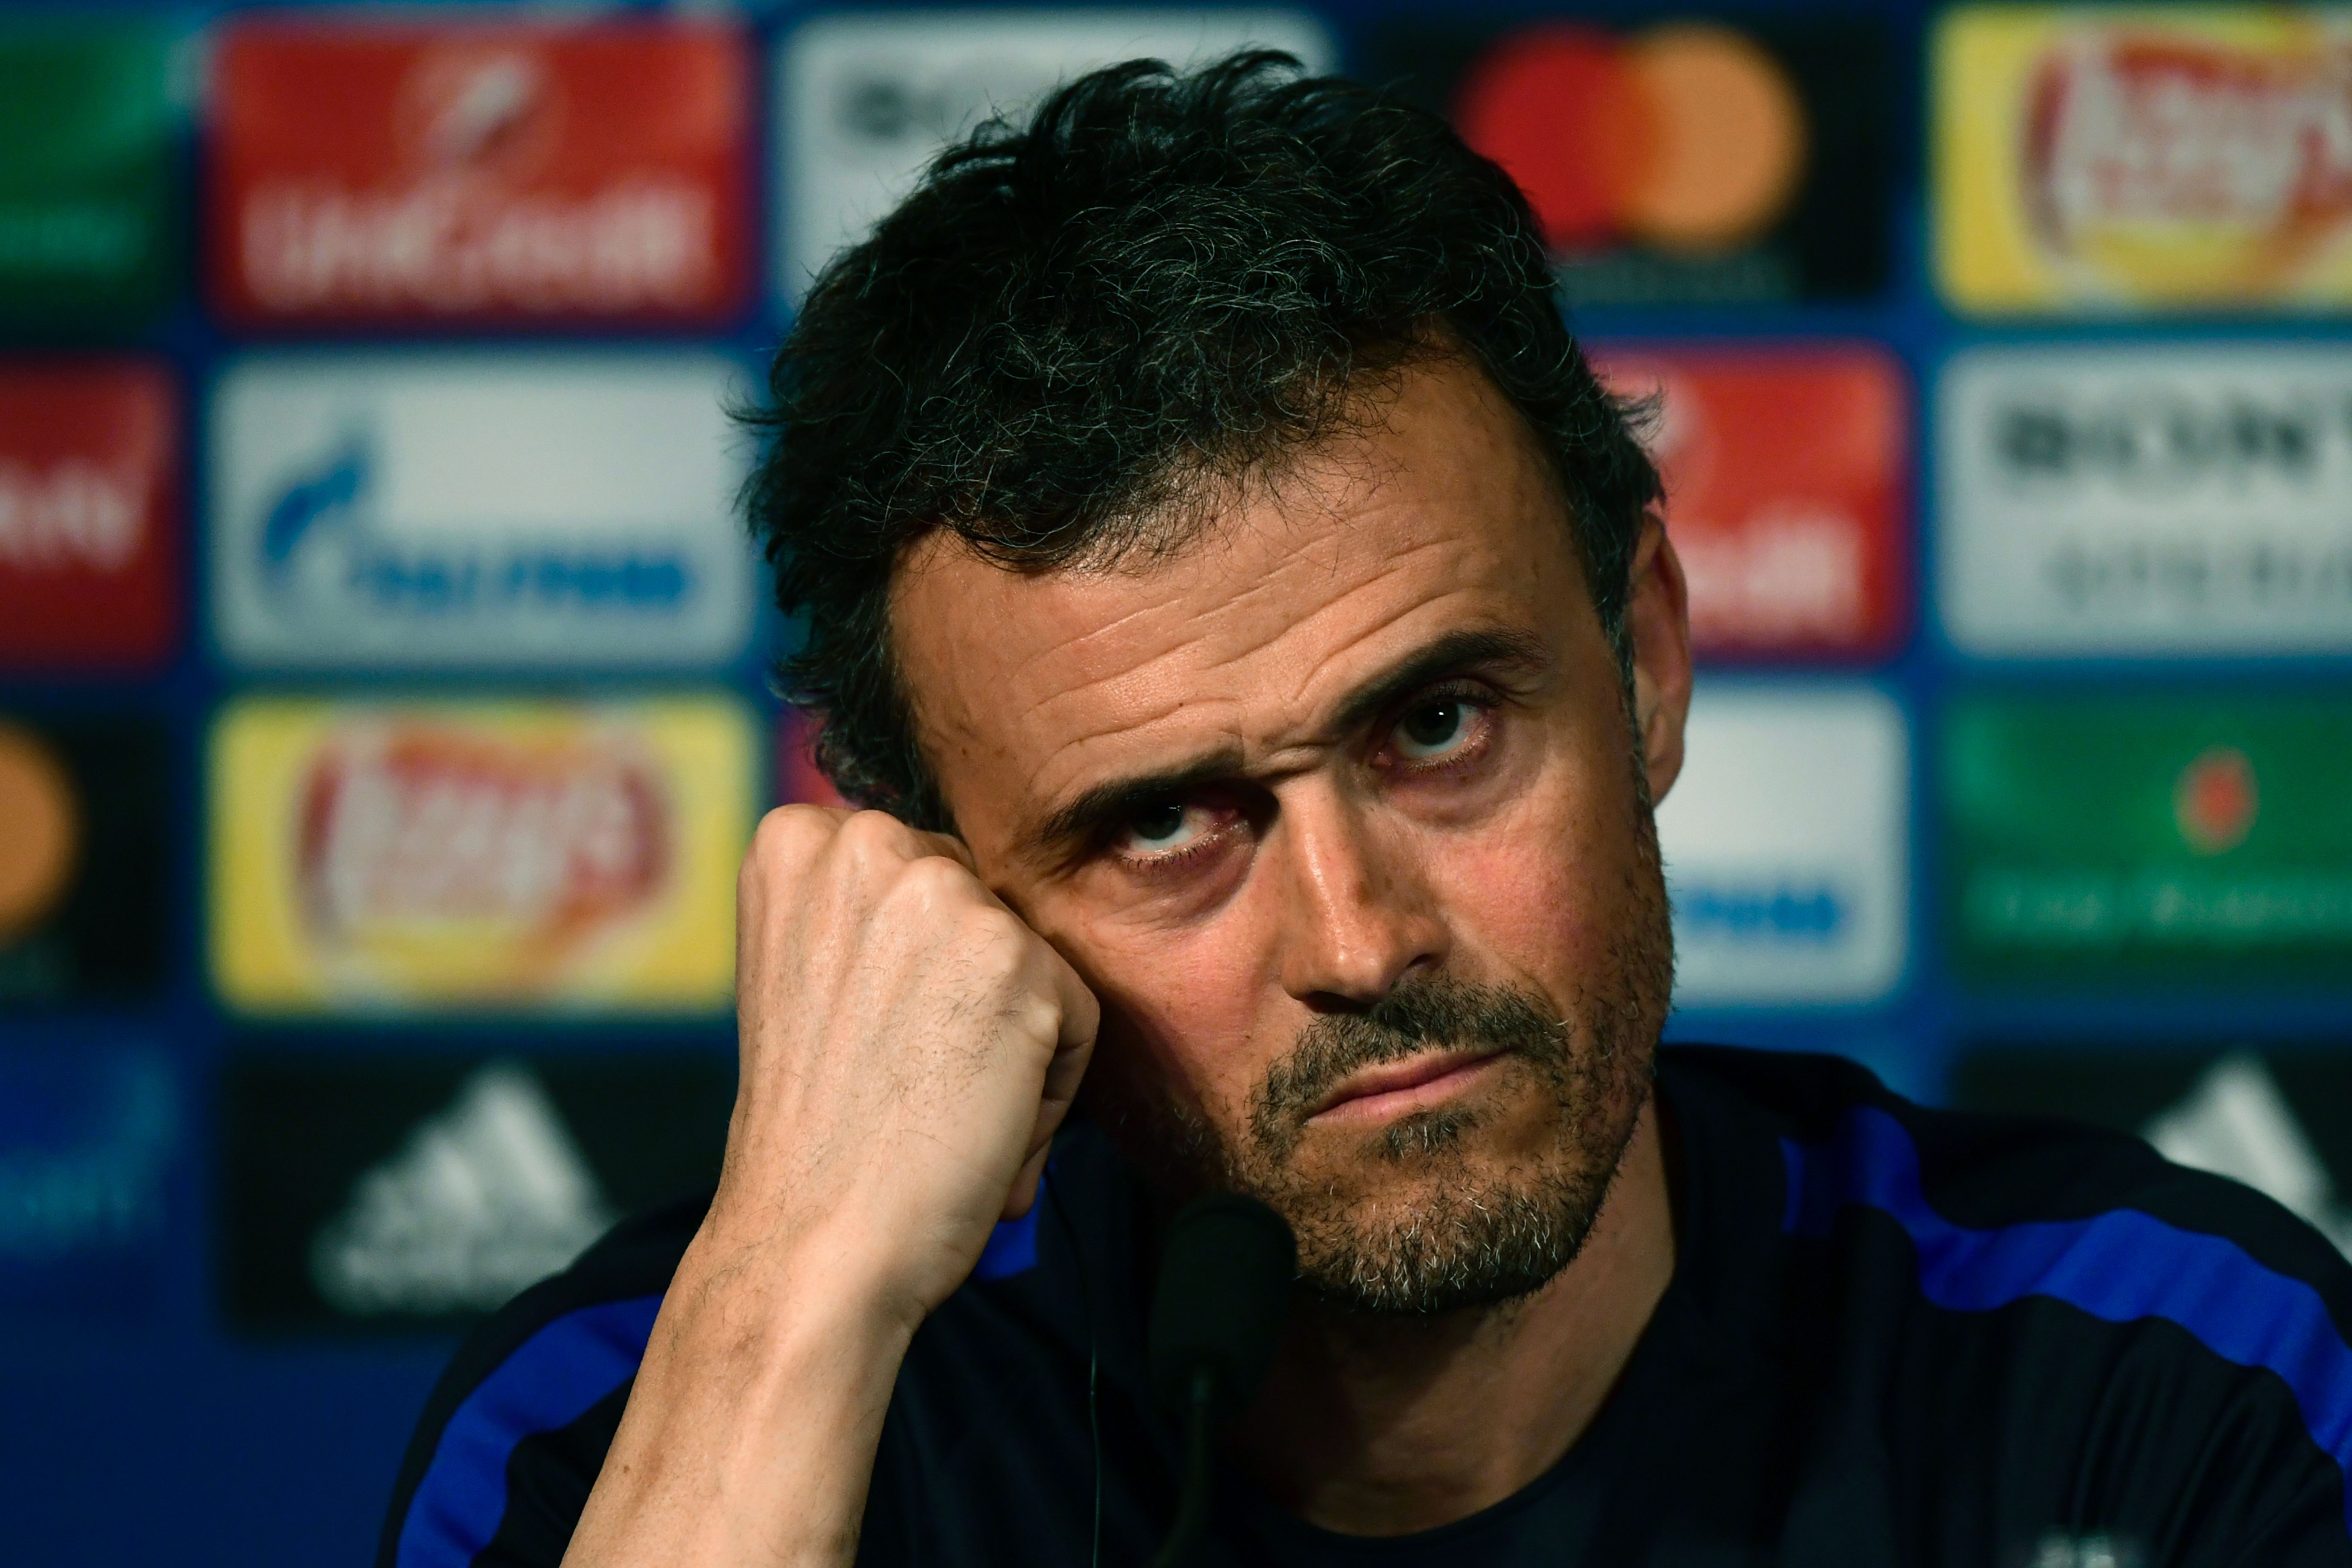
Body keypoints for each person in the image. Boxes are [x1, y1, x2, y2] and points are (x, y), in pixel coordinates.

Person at [378, 57, 2352, 1568]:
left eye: (1435, 722)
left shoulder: (2166, 1385)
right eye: (1164, 825)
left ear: (1645, 662)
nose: (1358, 939)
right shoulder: (631, 1432)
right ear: (932, 896)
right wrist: (794, 1301)